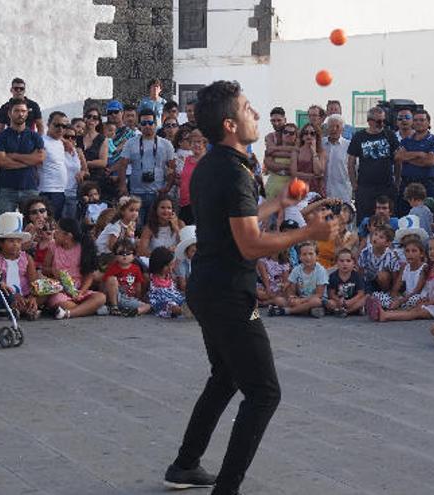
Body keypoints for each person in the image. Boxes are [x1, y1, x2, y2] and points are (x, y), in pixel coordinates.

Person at [165, 80, 337, 494]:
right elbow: (250, 242)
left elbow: (237, 221)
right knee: (263, 393)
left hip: (208, 286)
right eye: (247, 108)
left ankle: (185, 464)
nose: (256, 114)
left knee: (226, 376)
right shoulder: (231, 170)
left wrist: (278, 206)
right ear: (229, 123)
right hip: (227, 292)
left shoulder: (216, 163)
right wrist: (307, 233)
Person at [115, 108, 176, 224]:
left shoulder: (166, 144)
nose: (147, 126)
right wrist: (122, 186)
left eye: (150, 122)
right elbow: (122, 166)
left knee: (155, 226)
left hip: (157, 193)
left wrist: (168, 187)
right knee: (136, 227)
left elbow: (172, 167)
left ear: (156, 124)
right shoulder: (130, 143)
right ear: (139, 125)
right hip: (136, 193)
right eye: (143, 123)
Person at [375, 237, 434, 324]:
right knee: (414, 308)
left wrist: (427, 303)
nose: (432, 252)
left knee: (417, 312)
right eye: (430, 249)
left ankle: (386, 315)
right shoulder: (431, 268)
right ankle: (388, 312)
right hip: (432, 301)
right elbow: (430, 289)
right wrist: (425, 299)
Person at [42, 218, 107, 320]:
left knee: (101, 297)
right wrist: (52, 271)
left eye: (58, 231)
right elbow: (44, 269)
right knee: (65, 304)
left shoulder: (82, 248)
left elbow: (88, 275)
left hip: (78, 289)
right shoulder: (53, 246)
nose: (54, 233)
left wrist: (81, 292)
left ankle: (69, 314)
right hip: (60, 290)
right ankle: (87, 309)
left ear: (68, 236)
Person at [0, 97, 46, 217]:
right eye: (16, 111)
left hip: (30, 187)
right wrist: (29, 161)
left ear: (27, 113)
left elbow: (40, 158)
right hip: (7, 189)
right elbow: (1, 161)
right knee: (5, 227)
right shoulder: (1, 137)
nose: (20, 114)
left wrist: (14, 156)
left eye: (23, 111)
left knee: (35, 225)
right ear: (9, 113)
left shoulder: (35, 136)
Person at [348, 106, 400, 224]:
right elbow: (351, 161)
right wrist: (354, 184)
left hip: (386, 186)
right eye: (378, 121)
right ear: (369, 121)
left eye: (383, 120)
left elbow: (398, 159)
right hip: (365, 187)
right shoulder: (359, 136)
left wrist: (397, 181)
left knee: (386, 220)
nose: (382, 124)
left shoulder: (389, 135)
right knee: (365, 221)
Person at [395, 109, 434, 216]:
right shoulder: (405, 141)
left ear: (428, 123)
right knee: (404, 218)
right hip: (407, 184)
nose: (418, 123)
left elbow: (430, 161)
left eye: (422, 120)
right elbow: (398, 157)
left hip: (427, 184)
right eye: (416, 120)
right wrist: (421, 154)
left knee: (426, 218)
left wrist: (408, 157)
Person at [366, 238, 427, 320]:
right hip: (405, 297)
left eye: (414, 251)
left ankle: (388, 309)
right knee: (376, 295)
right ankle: (392, 307)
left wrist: (400, 301)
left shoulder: (424, 268)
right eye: (407, 251)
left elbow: (416, 291)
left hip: (417, 297)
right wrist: (394, 298)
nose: (410, 254)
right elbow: (396, 287)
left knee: (415, 299)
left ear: (421, 254)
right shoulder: (405, 267)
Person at [266, 241, 327, 318]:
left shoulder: (320, 270)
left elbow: (319, 294)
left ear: (317, 256)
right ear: (299, 257)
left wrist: (301, 301)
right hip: (300, 298)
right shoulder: (297, 269)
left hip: (315, 299)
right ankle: (306, 310)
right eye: (304, 254)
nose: (308, 257)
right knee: (278, 300)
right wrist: (291, 297)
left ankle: (287, 311)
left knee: (316, 302)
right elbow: (289, 284)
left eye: (311, 254)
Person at [0, 222, 40, 321]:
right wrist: (13, 296)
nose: (15, 244)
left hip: (26, 293)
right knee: (0, 295)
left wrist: (33, 297)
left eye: (18, 241)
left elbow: (34, 281)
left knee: (46, 289)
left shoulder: (26, 258)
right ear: (1, 243)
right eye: (11, 241)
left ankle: (29, 306)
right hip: (7, 294)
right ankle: (24, 309)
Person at [103, 238, 151, 317]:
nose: (124, 255)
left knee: (148, 306)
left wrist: (138, 298)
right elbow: (105, 283)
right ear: (116, 256)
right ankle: (114, 307)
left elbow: (138, 286)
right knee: (112, 279)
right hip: (116, 296)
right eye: (121, 253)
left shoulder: (136, 268)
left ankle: (133, 311)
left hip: (129, 299)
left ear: (133, 256)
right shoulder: (112, 268)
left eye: (128, 253)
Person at [39, 111, 71, 218]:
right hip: (47, 191)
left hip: (61, 191)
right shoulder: (41, 141)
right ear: (48, 124)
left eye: (64, 126)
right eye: (57, 125)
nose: (61, 128)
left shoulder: (61, 142)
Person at [77, 107, 113, 201]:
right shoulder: (77, 138)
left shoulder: (102, 139)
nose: (91, 120)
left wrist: (83, 163)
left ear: (98, 122)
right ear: (84, 118)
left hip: (97, 179)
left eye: (95, 118)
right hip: (79, 178)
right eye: (89, 116)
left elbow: (103, 162)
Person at [263, 122, 299, 201]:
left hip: (288, 196)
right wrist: (287, 167)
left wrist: (278, 167)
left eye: (291, 133)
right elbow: (269, 165)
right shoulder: (272, 148)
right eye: (285, 132)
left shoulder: (299, 151)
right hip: (271, 193)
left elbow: (297, 169)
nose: (288, 135)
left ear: (296, 136)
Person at [324, 248, 366, 317]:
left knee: (365, 298)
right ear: (337, 263)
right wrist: (338, 300)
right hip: (338, 301)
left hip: (353, 301)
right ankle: (350, 310)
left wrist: (350, 302)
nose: (345, 263)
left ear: (353, 263)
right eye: (341, 261)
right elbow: (331, 293)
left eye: (348, 261)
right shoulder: (333, 276)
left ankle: (346, 311)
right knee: (330, 302)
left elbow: (360, 293)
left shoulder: (357, 276)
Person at [147, 246, 187, 318]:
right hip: (160, 301)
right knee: (170, 304)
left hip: (174, 297)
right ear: (158, 265)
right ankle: (181, 311)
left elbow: (175, 291)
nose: (170, 268)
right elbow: (145, 293)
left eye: (171, 264)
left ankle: (188, 309)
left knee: (185, 299)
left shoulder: (170, 276)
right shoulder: (149, 277)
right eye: (167, 265)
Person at [322, 114, 352, 203]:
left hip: (343, 193)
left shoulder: (349, 146)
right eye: (331, 126)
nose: (334, 129)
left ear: (342, 129)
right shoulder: (320, 144)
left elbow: (354, 168)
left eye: (337, 126)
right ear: (327, 128)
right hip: (323, 192)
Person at [61, 125, 88, 220]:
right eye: (66, 136)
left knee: (71, 222)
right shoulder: (56, 150)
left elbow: (86, 171)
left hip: (73, 192)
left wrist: (82, 173)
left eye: (73, 137)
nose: (70, 139)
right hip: (59, 191)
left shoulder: (78, 151)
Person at [296, 123, 326, 194]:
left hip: (315, 189)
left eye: (312, 133)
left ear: (316, 136)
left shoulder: (321, 152)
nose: (309, 136)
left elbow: (318, 172)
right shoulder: (296, 151)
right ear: (302, 136)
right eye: (306, 133)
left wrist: (314, 152)